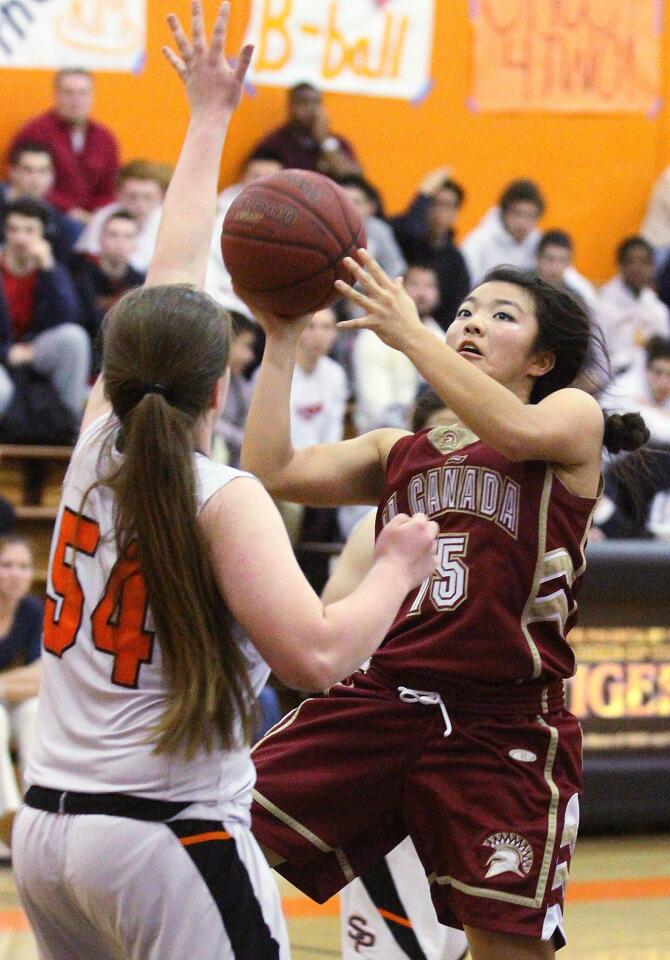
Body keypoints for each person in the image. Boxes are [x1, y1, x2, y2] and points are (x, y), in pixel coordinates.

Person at [11, 8, 438, 960]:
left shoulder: (93, 449)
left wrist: (209, 118)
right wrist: (399, 560)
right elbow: (320, 658)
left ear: (114, 375)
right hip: (167, 836)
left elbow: (167, 282)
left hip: (48, 831)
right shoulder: (225, 493)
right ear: (223, 385)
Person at [241, 246, 648, 959]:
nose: (473, 322)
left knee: (507, 948)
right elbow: (272, 467)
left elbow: (514, 431)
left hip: (502, 724)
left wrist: (413, 335)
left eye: (501, 315)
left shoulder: (571, 418)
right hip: (386, 701)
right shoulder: (399, 449)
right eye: (465, 311)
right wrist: (279, 341)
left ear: (543, 361)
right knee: (217, 822)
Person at [0, 198, 90, 426]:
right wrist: (6, 352)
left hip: (35, 348)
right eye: (14, 229)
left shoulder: (50, 269)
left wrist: (50, 269)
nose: (21, 238)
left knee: (73, 338)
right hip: (3, 353)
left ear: (43, 233)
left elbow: (69, 317)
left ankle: (68, 426)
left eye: (29, 230)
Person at [9, 69, 120, 222]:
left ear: (92, 96)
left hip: (94, 221)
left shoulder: (105, 138)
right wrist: (71, 211)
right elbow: (23, 182)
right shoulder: (35, 132)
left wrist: (97, 217)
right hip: (46, 215)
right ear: (56, 95)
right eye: (68, 93)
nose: (76, 100)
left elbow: (109, 189)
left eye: (83, 93)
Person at [353, 263, 444, 432]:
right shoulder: (374, 337)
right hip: (382, 442)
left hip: (433, 438)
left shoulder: (442, 338)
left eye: (429, 286)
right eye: (415, 285)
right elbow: (377, 409)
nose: (422, 293)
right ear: (398, 292)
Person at [205, 147, 284, 317]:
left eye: (270, 177)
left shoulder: (296, 223)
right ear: (243, 179)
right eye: (256, 176)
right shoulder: (217, 216)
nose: (263, 183)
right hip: (222, 308)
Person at [0, 537, 41, 848]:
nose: (16, 573)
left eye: (24, 566)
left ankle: (36, 816)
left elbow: (46, 676)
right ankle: (8, 820)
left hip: (12, 696)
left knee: (34, 711)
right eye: (7, 565)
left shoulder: (33, 610)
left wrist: (3, 684)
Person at [391, 169, 471, 330]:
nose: (439, 212)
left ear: (456, 212)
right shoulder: (404, 239)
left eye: (447, 205)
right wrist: (423, 194)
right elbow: (408, 228)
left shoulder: (455, 260)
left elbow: (458, 308)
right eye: (434, 203)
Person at [70, 209, 145, 367]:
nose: (120, 243)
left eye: (128, 236)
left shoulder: (141, 282)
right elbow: (84, 319)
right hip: (87, 356)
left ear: (135, 244)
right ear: (100, 239)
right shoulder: (80, 273)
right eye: (113, 235)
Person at [74, 159, 172, 274]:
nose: (140, 204)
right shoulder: (103, 217)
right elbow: (87, 256)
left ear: (161, 196)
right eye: (132, 196)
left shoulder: (169, 222)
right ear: (118, 194)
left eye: (148, 197)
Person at [252, 81, 360, 177]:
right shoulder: (274, 145)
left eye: (316, 102)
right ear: (290, 106)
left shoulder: (337, 143)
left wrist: (324, 140)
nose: (311, 108)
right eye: (303, 102)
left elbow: (354, 180)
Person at [598, 236, 670, 377]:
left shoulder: (657, 309)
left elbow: (664, 351)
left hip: (651, 377)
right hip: (609, 375)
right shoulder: (603, 305)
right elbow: (598, 355)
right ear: (620, 266)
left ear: (652, 266)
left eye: (644, 262)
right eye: (631, 262)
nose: (637, 268)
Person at [0, 142, 84, 262]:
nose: (35, 179)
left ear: (52, 176)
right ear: (12, 171)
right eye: (28, 170)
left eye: (43, 171)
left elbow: (60, 272)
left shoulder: (61, 226)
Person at [461, 179, 545, 285]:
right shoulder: (478, 242)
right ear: (504, 212)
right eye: (517, 214)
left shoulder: (539, 243)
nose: (522, 223)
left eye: (529, 216)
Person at [535, 231, 598, 315]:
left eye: (562, 260)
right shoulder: (523, 288)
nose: (555, 267)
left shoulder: (575, 300)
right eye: (550, 259)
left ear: (569, 263)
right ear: (538, 258)